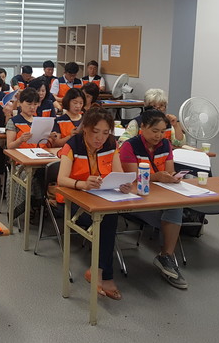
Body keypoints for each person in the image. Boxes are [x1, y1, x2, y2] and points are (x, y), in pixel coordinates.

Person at [57, 107, 130, 300]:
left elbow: (119, 173)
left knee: (108, 218)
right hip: (73, 198)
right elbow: (61, 179)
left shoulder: (111, 144)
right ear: (86, 129)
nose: (100, 138)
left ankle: (97, 271)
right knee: (108, 221)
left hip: (101, 198)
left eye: (105, 133)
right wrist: (82, 184)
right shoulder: (73, 145)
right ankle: (105, 275)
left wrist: (123, 184)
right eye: (96, 132)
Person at [119, 109, 187, 289]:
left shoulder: (165, 145)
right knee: (171, 214)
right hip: (135, 198)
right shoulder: (129, 146)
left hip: (159, 195)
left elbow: (169, 171)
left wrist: (172, 177)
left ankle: (166, 256)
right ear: (142, 127)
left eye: (162, 131)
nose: (159, 136)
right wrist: (157, 177)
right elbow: (133, 178)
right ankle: (166, 258)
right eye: (154, 131)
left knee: (176, 206)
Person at [119, 88, 184, 147]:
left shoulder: (167, 122)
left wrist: (175, 125)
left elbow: (179, 143)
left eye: (161, 106)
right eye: (154, 106)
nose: (158, 109)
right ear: (147, 107)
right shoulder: (137, 122)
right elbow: (122, 143)